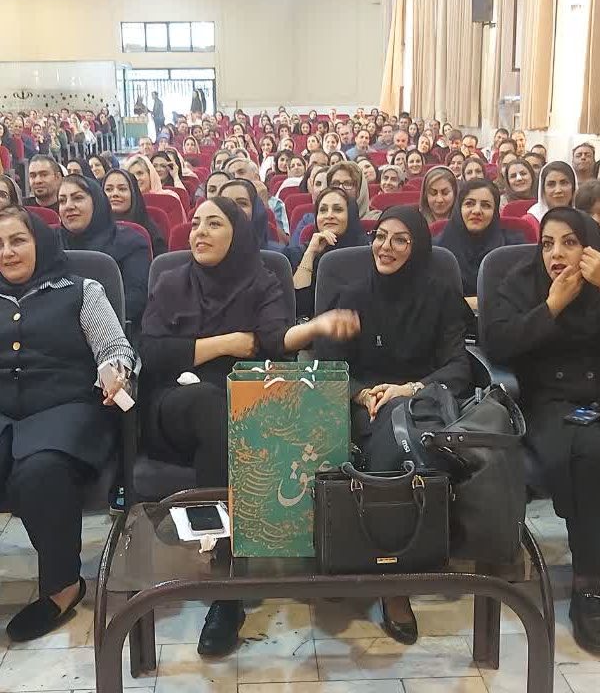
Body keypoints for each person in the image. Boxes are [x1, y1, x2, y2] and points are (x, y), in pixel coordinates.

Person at [140, 196, 359, 655]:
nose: (199, 232)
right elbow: (154, 353)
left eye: (213, 224)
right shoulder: (170, 282)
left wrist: (316, 327)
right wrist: (225, 343)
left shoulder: (261, 281)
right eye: (195, 223)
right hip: (174, 409)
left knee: (230, 412)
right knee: (209, 405)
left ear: (237, 234)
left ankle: (232, 584)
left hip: (244, 410)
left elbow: (274, 340)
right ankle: (227, 586)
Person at [315, 205, 471, 646]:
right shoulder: (352, 294)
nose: (386, 247)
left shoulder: (441, 295)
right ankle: (371, 558)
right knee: (382, 434)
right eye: (380, 236)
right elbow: (327, 362)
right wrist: (361, 393)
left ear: (417, 247)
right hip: (360, 401)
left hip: (420, 403)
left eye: (400, 239)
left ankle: (391, 578)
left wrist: (411, 388)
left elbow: (459, 365)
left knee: (394, 439)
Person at [0, 205, 137, 642]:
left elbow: (114, 348)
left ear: (40, 242)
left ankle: (63, 587)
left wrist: (116, 372)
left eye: (17, 241)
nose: (7, 252)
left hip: (67, 410)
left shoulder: (81, 289)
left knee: (40, 471)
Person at [482, 207, 600, 654]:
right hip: (548, 402)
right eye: (548, 243)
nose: (556, 253)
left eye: (570, 242)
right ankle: (590, 583)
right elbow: (497, 344)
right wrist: (551, 307)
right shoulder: (519, 282)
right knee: (588, 452)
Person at [57, 175, 150, 326]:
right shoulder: (50, 242)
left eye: (78, 198)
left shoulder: (131, 243)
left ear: (97, 202)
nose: (68, 206)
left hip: (111, 327)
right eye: (62, 201)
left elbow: (134, 301)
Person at [436, 178, 526, 309]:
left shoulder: (513, 247)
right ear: (458, 208)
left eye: (486, 205)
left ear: (495, 212)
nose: (477, 211)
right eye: (469, 203)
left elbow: (520, 298)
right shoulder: (438, 250)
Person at [284, 187, 369, 319]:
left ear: (351, 215)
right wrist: (310, 254)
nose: (329, 215)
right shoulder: (301, 252)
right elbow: (298, 307)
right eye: (323, 210)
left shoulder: (366, 251)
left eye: (338, 209)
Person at [103, 169, 167, 257]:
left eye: (122, 189)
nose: (115, 194)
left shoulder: (150, 231)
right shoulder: (94, 228)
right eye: (108, 189)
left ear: (133, 194)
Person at [219, 178, 269, 249]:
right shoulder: (206, 251)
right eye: (226, 203)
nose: (233, 208)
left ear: (255, 209)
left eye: (242, 203)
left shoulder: (277, 254)